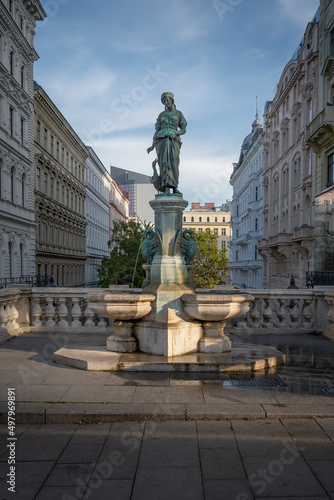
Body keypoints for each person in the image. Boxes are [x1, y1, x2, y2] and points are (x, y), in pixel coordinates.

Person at [147, 92, 187, 194]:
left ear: (172, 100)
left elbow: (183, 129)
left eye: (167, 100)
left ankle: (174, 187)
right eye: (163, 101)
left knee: (174, 163)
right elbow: (156, 130)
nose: (165, 102)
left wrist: (176, 133)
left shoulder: (178, 113)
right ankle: (165, 187)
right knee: (163, 164)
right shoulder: (161, 115)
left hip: (174, 140)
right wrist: (152, 145)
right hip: (161, 141)